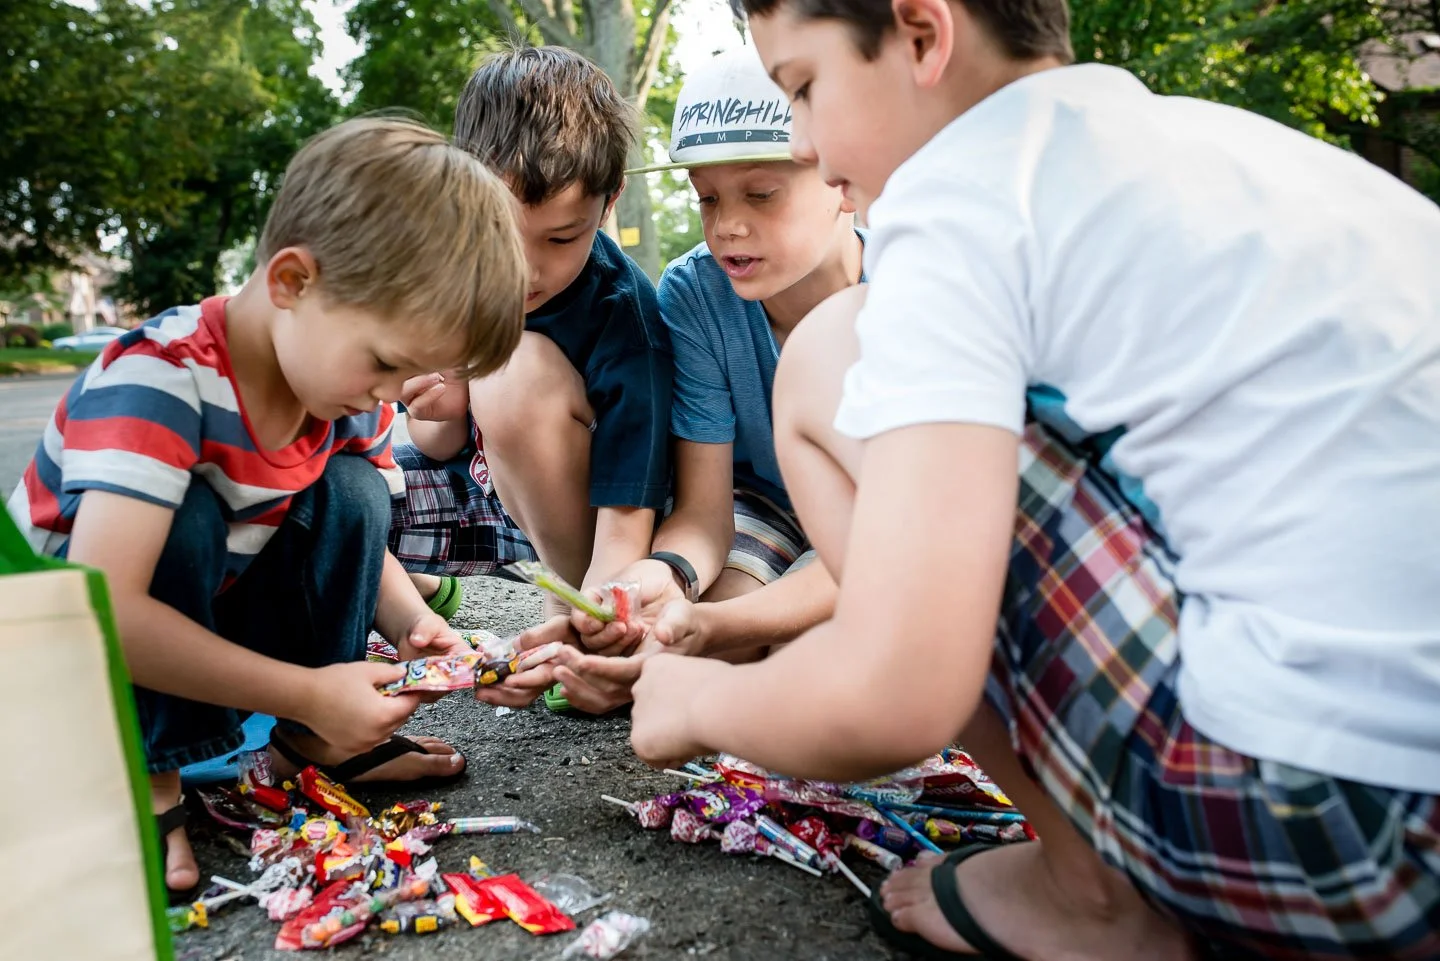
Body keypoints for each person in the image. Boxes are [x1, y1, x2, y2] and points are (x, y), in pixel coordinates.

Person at [626, 0, 1440, 958]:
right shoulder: (1234, 152)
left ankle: (1088, 893)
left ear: (922, 33)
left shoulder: (961, 196)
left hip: (1332, 840)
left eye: (805, 87)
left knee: (830, 356)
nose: (804, 134)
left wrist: (694, 704)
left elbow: (894, 692)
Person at [7, 117, 528, 897]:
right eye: (387, 362)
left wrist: (414, 632)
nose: (393, 392)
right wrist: (307, 686)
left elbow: (359, 536)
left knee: (353, 489)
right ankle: (139, 781)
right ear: (292, 282)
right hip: (61, 657)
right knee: (184, 513)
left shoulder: (340, 389)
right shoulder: (161, 381)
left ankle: (318, 741)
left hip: (192, 624)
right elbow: (101, 611)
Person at [477, 47, 866, 714]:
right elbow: (706, 513)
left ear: (843, 179)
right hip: (762, 505)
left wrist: (714, 630)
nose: (726, 227)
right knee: (679, 647)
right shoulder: (697, 293)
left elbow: (894, 539)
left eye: (761, 194)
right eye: (706, 198)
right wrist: (661, 579)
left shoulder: (913, 281)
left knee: (799, 648)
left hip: (880, 515)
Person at [387, 45, 672, 625]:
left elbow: (628, 508)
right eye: (499, 231)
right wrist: (443, 408)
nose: (527, 271)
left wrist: (600, 614)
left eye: (561, 239)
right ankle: (419, 587)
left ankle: (568, 611)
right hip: (484, 507)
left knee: (515, 372)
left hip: (588, 524)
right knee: (326, 504)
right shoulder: (448, 275)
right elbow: (437, 444)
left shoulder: (622, 316)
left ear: (609, 199)